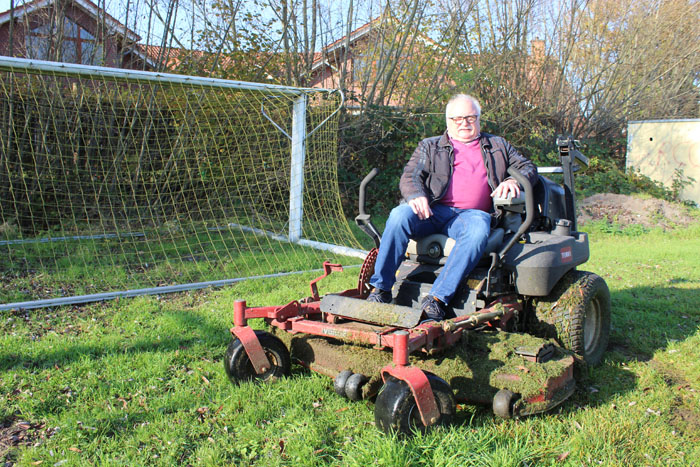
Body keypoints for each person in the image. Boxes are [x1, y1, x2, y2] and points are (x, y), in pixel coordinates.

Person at [366, 94, 538, 321]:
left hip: (472, 215)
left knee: (478, 230)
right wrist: (416, 195)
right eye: (457, 119)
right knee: (399, 215)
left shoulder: (498, 145)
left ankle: (437, 299)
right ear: (448, 121)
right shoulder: (429, 146)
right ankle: (381, 290)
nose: (464, 124)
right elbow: (410, 176)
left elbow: (527, 167)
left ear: (478, 119)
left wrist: (513, 181)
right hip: (433, 211)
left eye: (470, 118)